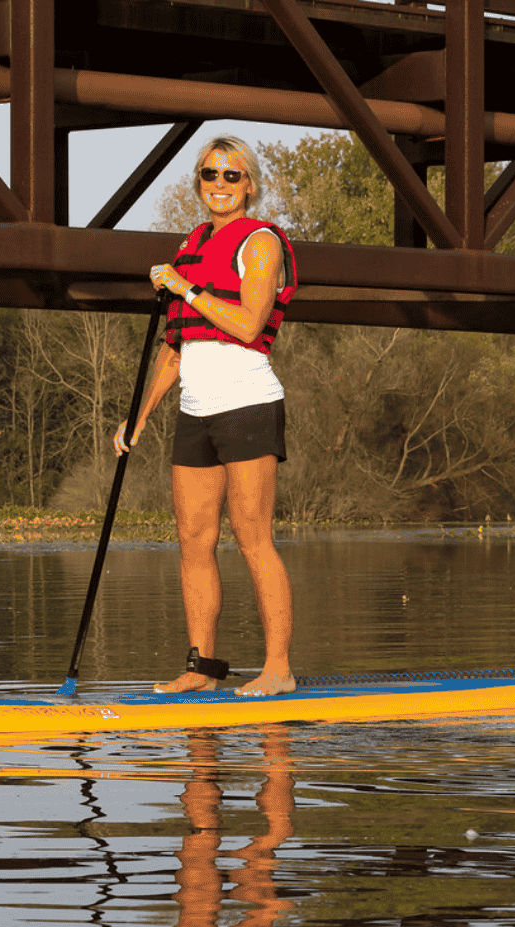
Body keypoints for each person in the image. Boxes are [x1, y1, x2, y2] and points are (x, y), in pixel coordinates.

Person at [114, 135, 298, 697]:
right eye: (209, 175)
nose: (219, 185)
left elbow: (247, 324)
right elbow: (177, 347)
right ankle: (203, 668)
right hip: (195, 411)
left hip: (246, 404)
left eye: (231, 175)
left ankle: (277, 670)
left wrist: (185, 287)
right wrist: (139, 416)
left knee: (252, 538)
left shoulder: (260, 243)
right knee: (193, 543)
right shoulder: (192, 243)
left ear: (250, 184)